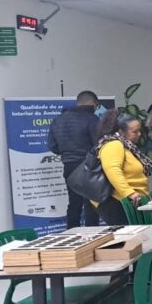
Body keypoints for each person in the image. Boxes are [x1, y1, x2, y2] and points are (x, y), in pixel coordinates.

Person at [50, 90, 101, 228]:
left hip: (69, 166)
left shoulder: (58, 120)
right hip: (88, 165)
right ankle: (93, 235)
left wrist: (67, 152)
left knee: (74, 203)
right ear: (92, 103)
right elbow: (99, 145)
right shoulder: (92, 119)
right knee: (91, 203)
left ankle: (72, 234)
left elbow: (53, 146)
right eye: (96, 105)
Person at [93, 110, 152, 225]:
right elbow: (113, 170)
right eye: (134, 132)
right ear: (121, 132)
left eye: (139, 130)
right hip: (118, 202)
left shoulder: (127, 147)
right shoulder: (113, 145)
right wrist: (129, 193)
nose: (139, 134)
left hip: (130, 200)